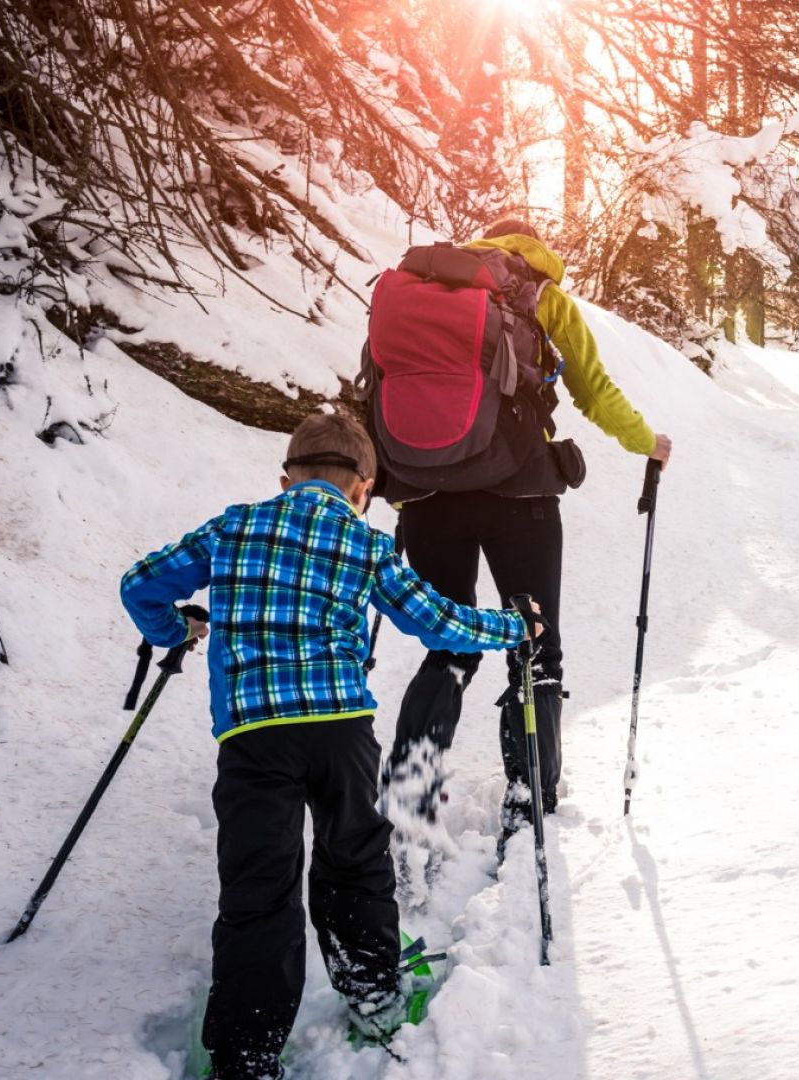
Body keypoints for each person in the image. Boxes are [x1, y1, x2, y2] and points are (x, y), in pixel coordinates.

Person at [118, 414, 543, 1080]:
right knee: (354, 862)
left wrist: (174, 628)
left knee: (260, 888)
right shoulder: (364, 542)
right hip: (341, 730)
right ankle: (374, 995)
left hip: (254, 738)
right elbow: (436, 621)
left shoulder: (232, 526)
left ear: (285, 478)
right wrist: (512, 626)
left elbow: (140, 583)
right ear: (364, 489)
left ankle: (248, 1054)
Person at [380, 218, 672, 838]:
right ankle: (530, 795)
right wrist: (648, 442)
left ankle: (410, 790)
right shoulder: (541, 294)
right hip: (522, 494)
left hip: (428, 490)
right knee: (535, 643)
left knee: (450, 642)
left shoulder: (418, 288)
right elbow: (594, 391)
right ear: (532, 246)